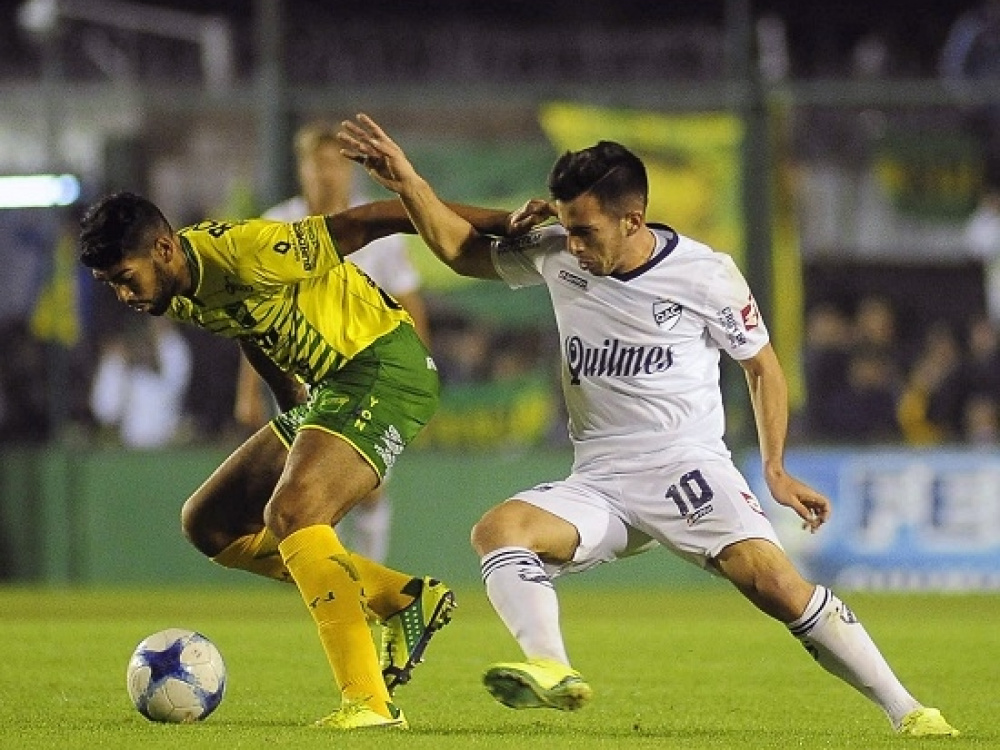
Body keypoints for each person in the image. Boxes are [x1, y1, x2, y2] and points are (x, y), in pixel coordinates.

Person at [337, 113, 960, 738]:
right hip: (598, 478)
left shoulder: (704, 273)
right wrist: (410, 182)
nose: (573, 244)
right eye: (567, 227)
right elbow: (459, 251)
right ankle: (551, 667)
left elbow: (763, 367)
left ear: (632, 220)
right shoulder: (558, 253)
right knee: (499, 531)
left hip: (685, 467)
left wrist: (774, 467)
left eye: (586, 231)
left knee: (774, 583)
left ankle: (909, 711)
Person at [77, 191, 514, 730]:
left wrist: (500, 222)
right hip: (332, 392)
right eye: (111, 284)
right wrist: (297, 417)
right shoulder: (182, 291)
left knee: (292, 513)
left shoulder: (248, 250)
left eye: (125, 277)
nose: (123, 294)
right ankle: (398, 597)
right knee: (209, 523)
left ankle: (370, 703)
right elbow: (251, 329)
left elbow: (374, 217)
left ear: (164, 249)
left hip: (382, 368)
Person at [235, 119, 430, 562]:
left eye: (336, 164)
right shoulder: (274, 226)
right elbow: (251, 316)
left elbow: (411, 306)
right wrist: (246, 392)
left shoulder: (374, 226)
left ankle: (370, 571)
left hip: (369, 373)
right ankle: (333, 574)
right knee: (306, 490)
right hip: (297, 377)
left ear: (350, 171)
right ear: (301, 168)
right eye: (317, 163)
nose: (327, 173)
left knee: (367, 486)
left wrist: (415, 383)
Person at [89, 315, 193, 449]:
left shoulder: (173, 347)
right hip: (128, 437)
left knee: (146, 388)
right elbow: (106, 410)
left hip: (163, 429)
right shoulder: (117, 364)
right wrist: (118, 363)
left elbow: (174, 386)